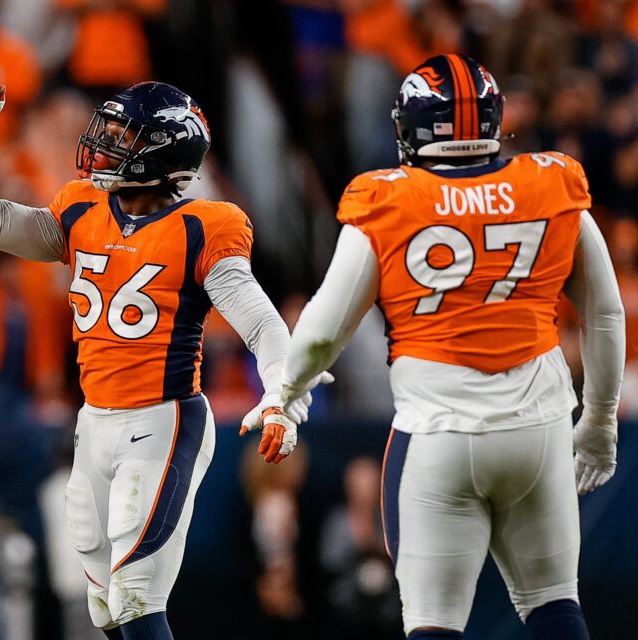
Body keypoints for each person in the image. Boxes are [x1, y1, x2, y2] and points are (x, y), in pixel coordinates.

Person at [280, 54, 625, 640]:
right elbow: (605, 313)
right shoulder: (551, 182)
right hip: (538, 430)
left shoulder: (387, 198)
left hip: (438, 436)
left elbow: (319, 330)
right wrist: (599, 421)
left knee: (433, 626)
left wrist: (285, 390)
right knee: (554, 606)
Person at [0, 80, 324, 639]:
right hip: (94, 420)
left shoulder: (203, 226)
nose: (105, 144)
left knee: (136, 597)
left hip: (162, 420)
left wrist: (281, 395)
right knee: (104, 608)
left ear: (165, 149)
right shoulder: (81, 208)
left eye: (122, 135)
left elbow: (261, 323)